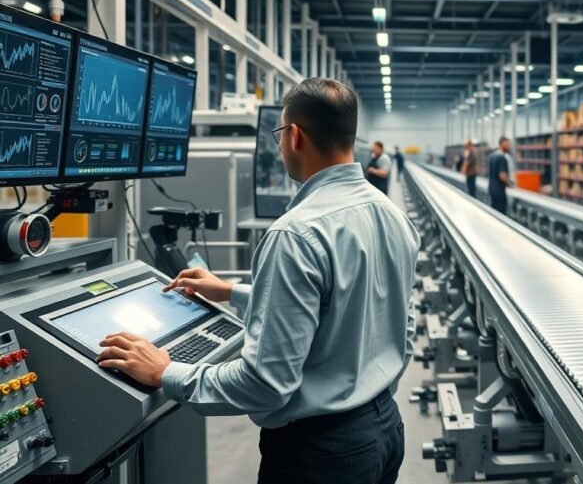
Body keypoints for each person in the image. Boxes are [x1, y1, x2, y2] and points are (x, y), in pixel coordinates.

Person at [96, 77, 420, 484]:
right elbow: (383, 317)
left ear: (295, 136)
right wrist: (232, 292)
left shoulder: (295, 233)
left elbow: (266, 385)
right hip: (385, 429)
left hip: (320, 454)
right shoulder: (391, 215)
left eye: (279, 133)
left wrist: (167, 371)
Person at [488, 136, 513, 214]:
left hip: (492, 189)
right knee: (501, 214)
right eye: (507, 144)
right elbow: (502, 175)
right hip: (499, 191)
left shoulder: (492, 156)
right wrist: (509, 184)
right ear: (502, 144)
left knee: (494, 213)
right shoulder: (502, 157)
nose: (509, 146)